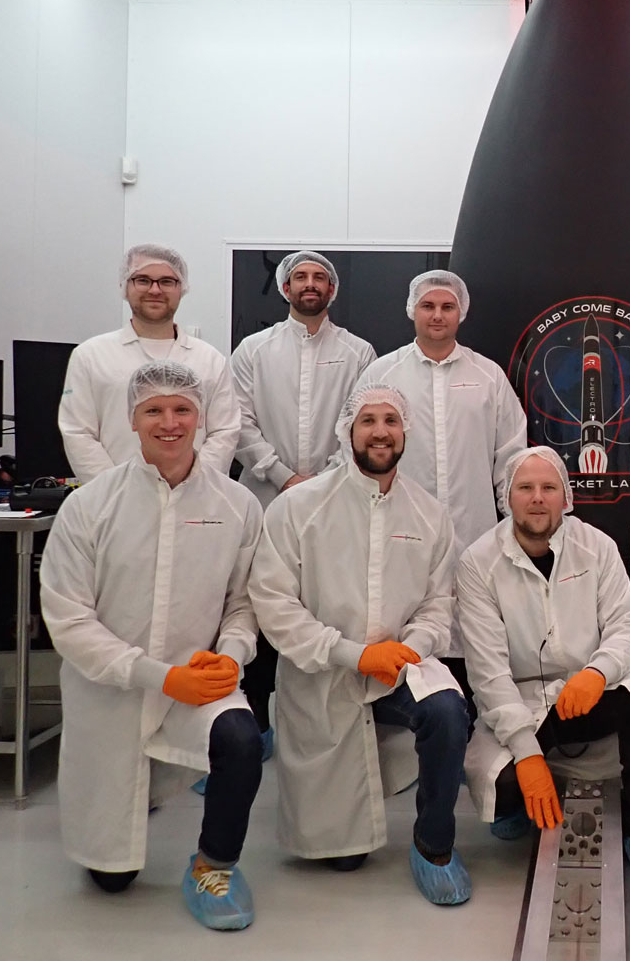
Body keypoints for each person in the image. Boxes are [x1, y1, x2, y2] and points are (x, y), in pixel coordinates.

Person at [40, 361, 264, 930]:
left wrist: (231, 655)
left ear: (201, 417)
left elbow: (243, 603)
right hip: (112, 690)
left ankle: (214, 866)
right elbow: (70, 622)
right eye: (154, 411)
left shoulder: (237, 505)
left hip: (197, 682)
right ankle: (124, 828)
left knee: (241, 740)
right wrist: (158, 676)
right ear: (132, 420)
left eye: (182, 409)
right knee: (112, 879)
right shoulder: (90, 506)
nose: (170, 422)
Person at [247, 384, 472, 906]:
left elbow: (438, 603)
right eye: (367, 421)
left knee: (446, 711)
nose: (380, 432)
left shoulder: (428, 514)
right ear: (348, 430)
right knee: (342, 859)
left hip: (399, 666)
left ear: (405, 431)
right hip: (324, 670)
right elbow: (274, 605)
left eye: (391, 421)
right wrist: (353, 654)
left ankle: (434, 844)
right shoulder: (299, 507)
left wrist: (409, 649)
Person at [457, 446, 630, 881]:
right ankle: (517, 804)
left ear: (566, 497)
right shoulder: (478, 563)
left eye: (549, 487)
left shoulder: (595, 546)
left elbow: (627, 628)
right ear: (507, 497)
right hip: (522, 701)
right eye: (525, 488)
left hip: (592, 689)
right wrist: (527, 756)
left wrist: (597, 673)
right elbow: (488, 673)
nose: (537, 498)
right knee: (504, 785)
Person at [226, 250, 375, 764]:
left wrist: (324, 479)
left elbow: (359, 421)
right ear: (285, 288)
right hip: (264, 497)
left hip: (335, 501)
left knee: (324, 604)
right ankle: (256, 722)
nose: (310, 284)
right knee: (259, 603)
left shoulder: (359, 352)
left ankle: (326, 723)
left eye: (319, 278)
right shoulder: (253, 350)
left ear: (331, 290)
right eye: (300, 277)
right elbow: (238, 421)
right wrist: (283, 476)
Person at [353, 270, 527, 686]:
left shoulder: (488, 376)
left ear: (461, 313)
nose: (437, 315)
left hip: (475, 532)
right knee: (406, 634)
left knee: (475, 642)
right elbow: (355, 449)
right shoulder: (382, 374)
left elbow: (511, 456)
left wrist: (512, 527)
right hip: (400, 530)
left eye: (447, 307)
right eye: (428, 306)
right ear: (412, 310)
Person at [58, 244, 240, 485]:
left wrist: (192, 486)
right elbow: (78, 432)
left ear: (182, 288)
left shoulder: (210, 359)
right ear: (125, 286)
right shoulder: (90, 356)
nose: (155, 290)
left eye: (167, 281)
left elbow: (224, 432)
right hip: (115, 498)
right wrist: (115, 490)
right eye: (143, 280)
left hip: (196, 497)